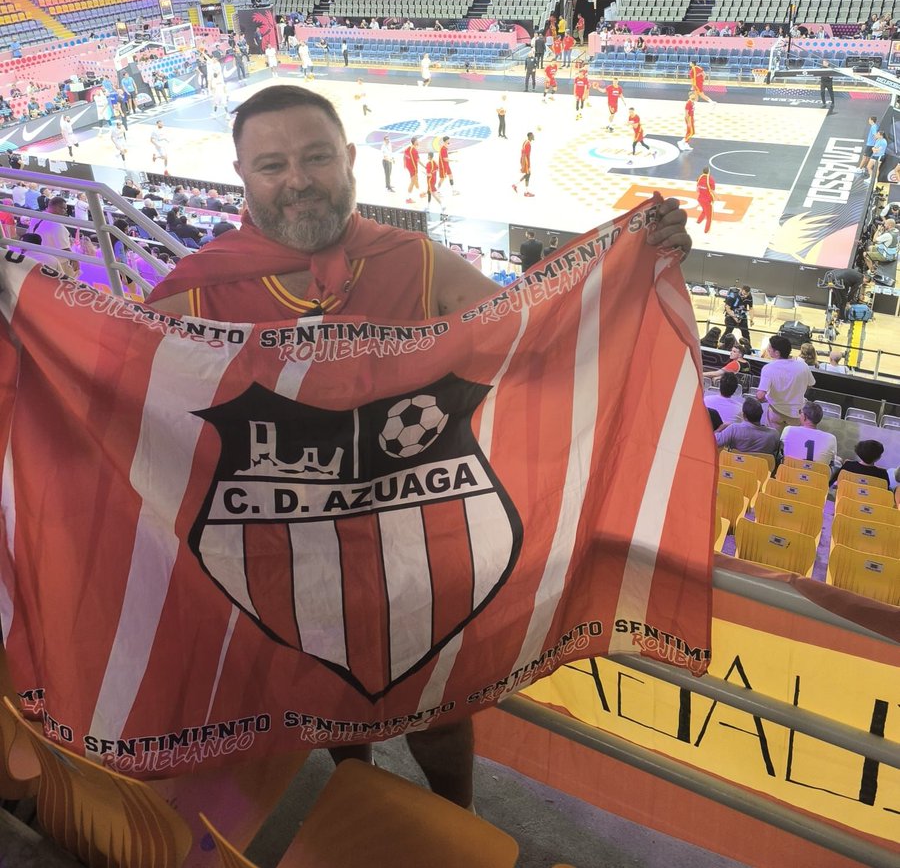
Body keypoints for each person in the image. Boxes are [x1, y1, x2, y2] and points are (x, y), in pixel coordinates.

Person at [143, 84, 691, 810]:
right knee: (332, 702)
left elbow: (527, 329)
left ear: (348, 161)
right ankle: (357, 793)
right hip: (290, 549)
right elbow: (110, 384)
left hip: (419, 545)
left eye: (314, 157)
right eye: (272, 164)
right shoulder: (196, 291)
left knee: (440, 712)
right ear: (242, 175)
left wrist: (625, 265)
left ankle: (452, 817)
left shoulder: (415, 260)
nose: (298, 179)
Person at [756, 334, 815, 432]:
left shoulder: (768, 368)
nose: (768, 349)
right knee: (791, 441)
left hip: (775, 411)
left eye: (770, 347)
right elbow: (811, 384)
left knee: (774, 438)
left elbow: (760, 396)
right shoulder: (803, 366)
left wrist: (766, 400)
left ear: (777, 353)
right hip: (796, 413)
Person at [28, 195, 78, 276]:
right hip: (57, 262)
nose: (65, 211)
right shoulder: (56, 225)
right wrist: (75, 260)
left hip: (38, 258)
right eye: (64, 208)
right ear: (57, 207)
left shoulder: (36, 217)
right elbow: (64, 248)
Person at [715, 398, 780, 455]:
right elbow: (775, 450)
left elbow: (714, 442)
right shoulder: (774, 434)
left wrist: (720, 428)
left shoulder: (734, 429)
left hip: (736, 465)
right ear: (761, 414)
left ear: (744, 415)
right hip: (763, 468)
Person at [782, 402, 837, 467]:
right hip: (817, 476)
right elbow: (832, 461)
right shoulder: (831, 438)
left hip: (787, 474)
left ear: (805, 416)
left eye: (800, 412)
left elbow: (781, 451)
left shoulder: (788, 430)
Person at [513, 131, 535, 197]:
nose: (533, 136)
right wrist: (527, 164)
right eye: (532, 135)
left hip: (523, 159)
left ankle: (515, 185)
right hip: (525, 160)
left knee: (527, 174)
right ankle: (526, 192)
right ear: (530, 136)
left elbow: (523, 152)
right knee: (528, 174)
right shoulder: (528, 144)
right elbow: (526, 155)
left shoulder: (525, 142)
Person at [696, 167, 715, 234]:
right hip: (707, 200)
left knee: (704, 209)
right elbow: (712, 190)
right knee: (709, 217)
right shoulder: (710, 179)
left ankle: (699, 220)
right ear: (709, 172)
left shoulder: (699, 178)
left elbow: (697, 190)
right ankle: (706, 230)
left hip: (700, 199)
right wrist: (718, 197)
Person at [404, 135, 421, 203]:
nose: (418, 141)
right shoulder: (414, 151)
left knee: (416, 180)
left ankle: (420, 193)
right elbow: (418, 161)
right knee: (412, 182)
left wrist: (404, 164)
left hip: (409, 167)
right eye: (417, 141)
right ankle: (408, 199)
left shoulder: (408, 148)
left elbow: (404, 156)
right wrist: (426, 167)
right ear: (414, 142)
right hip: (413, 168)